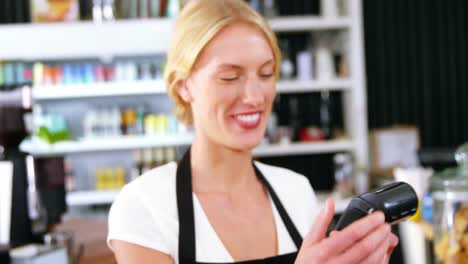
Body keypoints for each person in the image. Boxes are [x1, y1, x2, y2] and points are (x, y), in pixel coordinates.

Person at [107, 0, 398, 263]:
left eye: (266, 74)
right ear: (184, 85)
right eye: (230, 77)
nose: (255, 96)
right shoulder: (146, 205)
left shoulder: (296, 192)